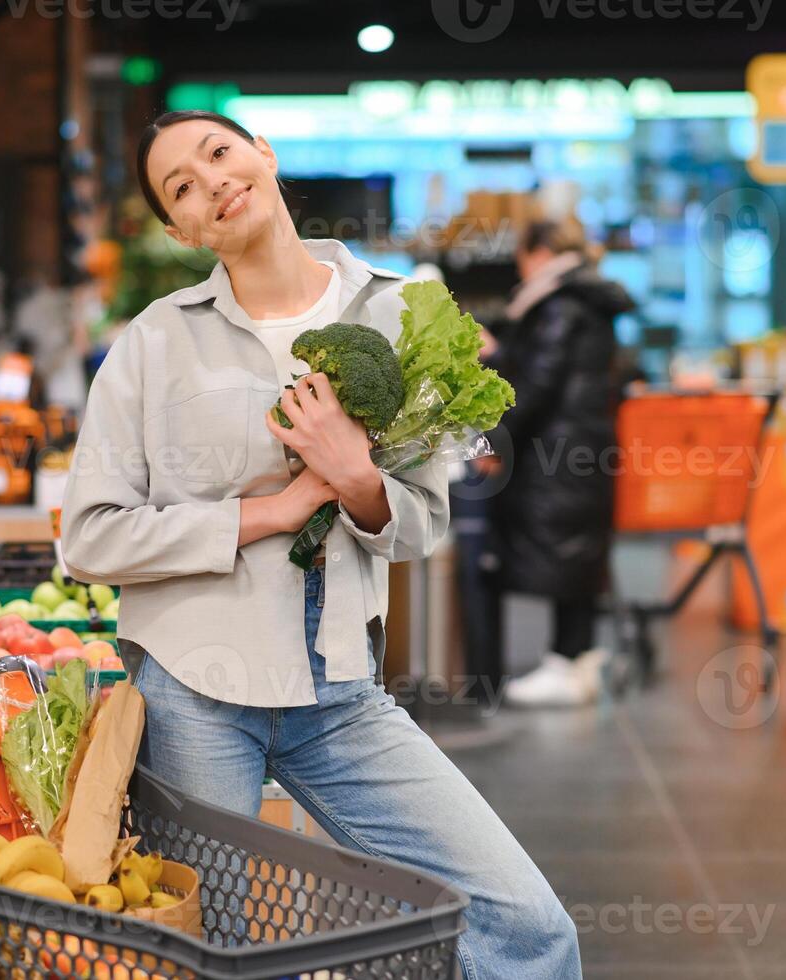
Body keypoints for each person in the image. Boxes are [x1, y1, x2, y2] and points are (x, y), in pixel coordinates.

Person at [60, 110, 580, 980]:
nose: (212, 182)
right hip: (194, 696)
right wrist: (272, 510)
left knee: (528, 929)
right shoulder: (153, 342)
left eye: (219, 153)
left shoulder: (397, 310)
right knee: (209, 958)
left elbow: (421, 524)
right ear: (178, 229)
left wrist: (357, 478)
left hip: (341, 690)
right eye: (181, 186)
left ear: (262, 156)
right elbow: (89, 538)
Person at [480, 205, 634, 708]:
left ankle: (569, 663)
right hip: (581, 449)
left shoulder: (558, 304)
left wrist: (493, 437)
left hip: (560, 452)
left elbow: (534, 385)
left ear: (540, 254)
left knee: (568, 554)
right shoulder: (585, 300)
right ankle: (576, 659)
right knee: (578, 555)